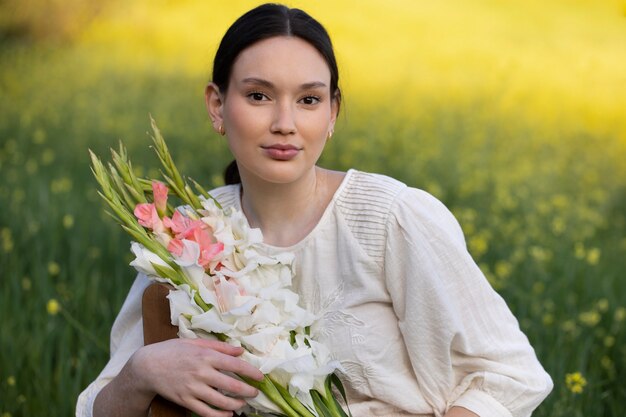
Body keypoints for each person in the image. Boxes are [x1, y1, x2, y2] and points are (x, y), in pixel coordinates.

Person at [76, 3, 553, 417]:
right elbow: (99, 405)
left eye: (308, 100)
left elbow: (509, 374)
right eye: (259, 96)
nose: (285, 123)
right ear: (217, 106)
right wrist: (141, 372)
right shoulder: (189, 235)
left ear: (332, 114)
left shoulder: (392, 218)